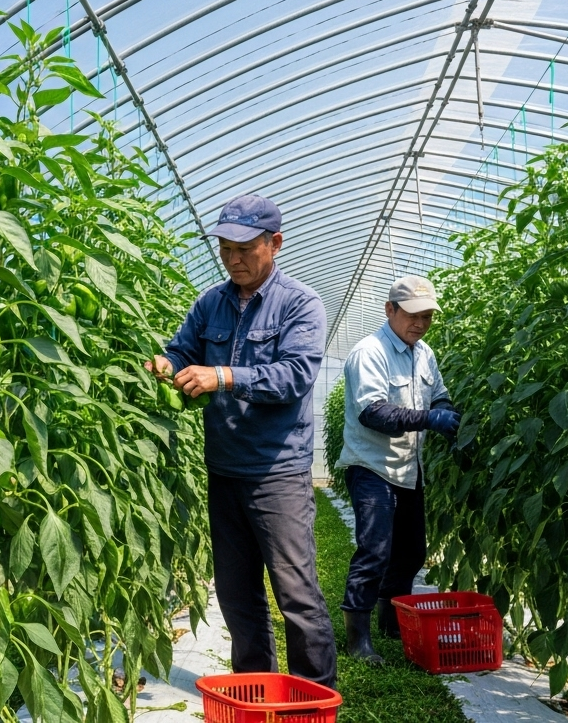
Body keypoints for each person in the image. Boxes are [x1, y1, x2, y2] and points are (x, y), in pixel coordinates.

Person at [147, 194, 336, 688]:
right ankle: (256, 688)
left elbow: (295, 376)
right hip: (225, 467)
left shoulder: (300, 303)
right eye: (224, 248)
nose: (232, 259)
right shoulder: (211, 301)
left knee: (296, 593)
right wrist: (166, 364)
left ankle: (315, 695)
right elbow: (181, 347)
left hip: (277, 472)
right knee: (236, 593)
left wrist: (224, 376)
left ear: (274, 243)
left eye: (244, 248)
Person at [336, 275, 459, 665]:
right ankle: (358, 639)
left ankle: (392, 622)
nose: (420, 324)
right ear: (390, 310)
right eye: (412, 315)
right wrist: (430, 419)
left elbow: (438, 393)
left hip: (409, 467)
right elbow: (373, 412)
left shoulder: (424, 354)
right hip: (371, 466)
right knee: (375, 550)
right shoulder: (368, 352)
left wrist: (449, 413)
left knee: (410, 552)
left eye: (427, 316)